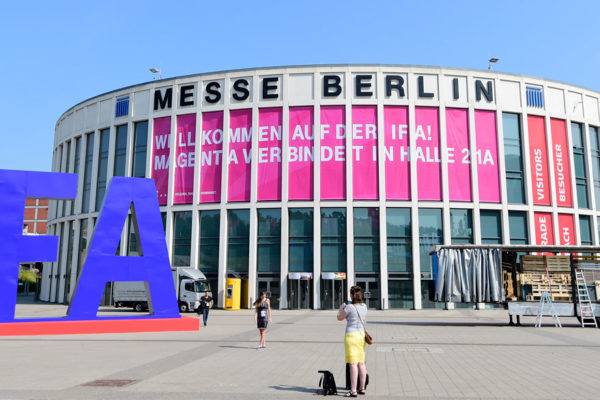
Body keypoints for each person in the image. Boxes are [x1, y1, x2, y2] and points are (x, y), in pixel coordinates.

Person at [337, 286, 368, 397]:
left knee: (353, 364)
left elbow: (339, 317)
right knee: (361, 362)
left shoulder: (349, 307)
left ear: (351, 295)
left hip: (351, 336)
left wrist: (341, 307)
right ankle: (362, 388)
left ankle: (353, 390)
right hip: (361, 335)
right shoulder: (364, 306)